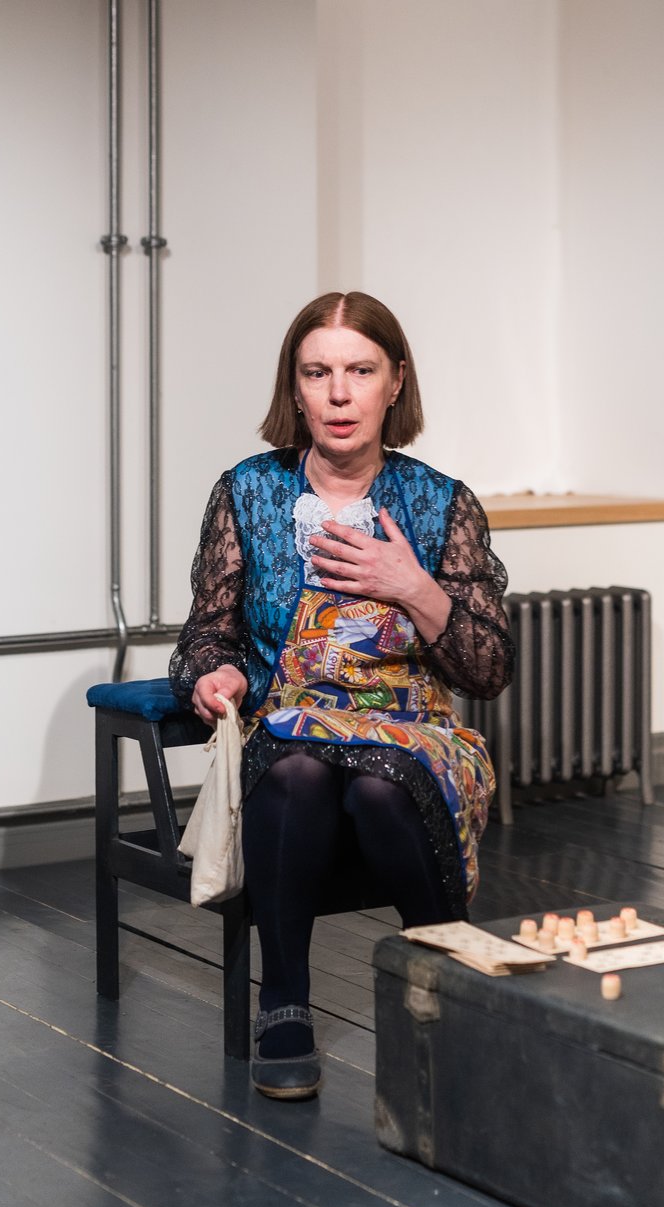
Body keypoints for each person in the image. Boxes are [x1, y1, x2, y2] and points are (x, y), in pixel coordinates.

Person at [169, 292, 514, 1100]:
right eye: (317, 372)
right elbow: (208, 635)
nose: (338, 393)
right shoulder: (249, 493)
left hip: (410, 734)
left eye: (360, 371)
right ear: (294, 388)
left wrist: (414, 586)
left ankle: (447, 977)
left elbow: (488, 669)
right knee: (298, 768)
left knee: (380, 782)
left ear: (396, 381)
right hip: (289, 728)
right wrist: (215, 675)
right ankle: (285, 999)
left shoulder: (441, 502)